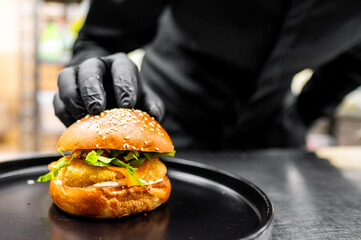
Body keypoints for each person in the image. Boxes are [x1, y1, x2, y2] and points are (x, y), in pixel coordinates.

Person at [54, 0, 361, 150]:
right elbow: (102, 39)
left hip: (272, 134)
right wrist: (92, 76)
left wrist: (304, 117)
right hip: (166, 115)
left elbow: (352, 64)